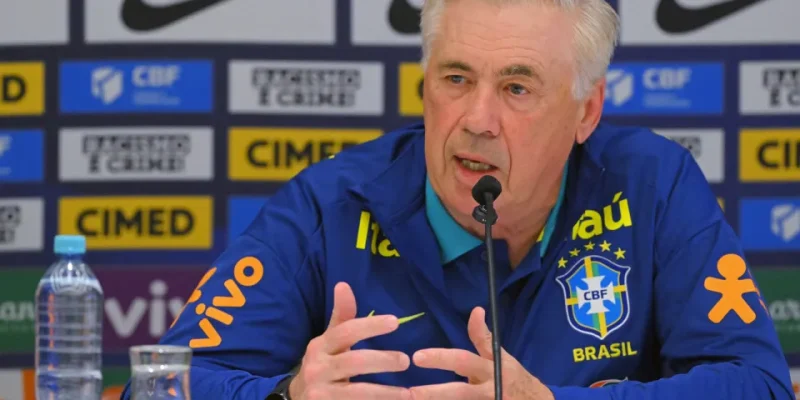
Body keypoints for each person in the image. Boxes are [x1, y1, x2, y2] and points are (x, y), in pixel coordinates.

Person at [120, 0, 793, 399]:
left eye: (517, 88)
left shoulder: (652, 185)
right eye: (456, 78)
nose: (477, 119)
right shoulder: (331, 205)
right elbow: (157, 386)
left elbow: (759, 384)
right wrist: (287, 396)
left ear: (586, 111)